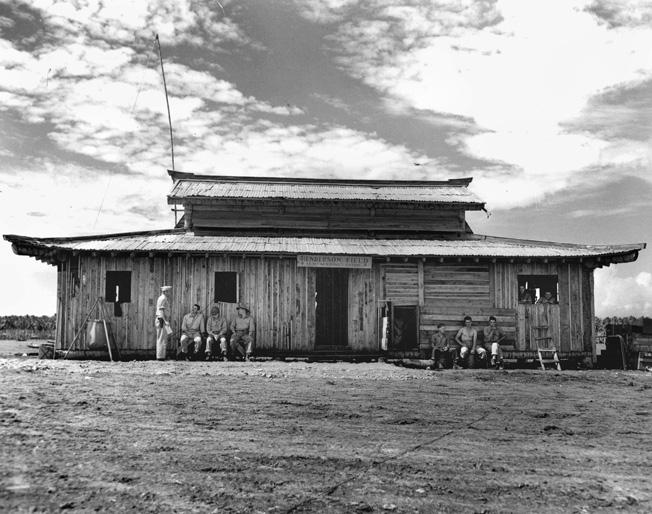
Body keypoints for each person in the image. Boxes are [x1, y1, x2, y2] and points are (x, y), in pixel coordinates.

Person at [155, 286, 172, 361]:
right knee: (162, 338)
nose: (169, 293)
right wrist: (165, 321)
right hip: (162, 320)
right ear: (164, 292)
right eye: (168, 291)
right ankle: (160, 357)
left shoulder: (165, 298)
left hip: (165, 320)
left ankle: (164, 355)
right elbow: (161, 310)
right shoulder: (162, 298)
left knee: (167, 336)